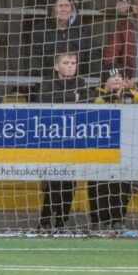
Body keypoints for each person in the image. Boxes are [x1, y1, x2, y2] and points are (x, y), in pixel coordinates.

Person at [88, 68, 138, 232]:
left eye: (119, 76)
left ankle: (117, 220)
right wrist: (112, 95)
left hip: (125, 146)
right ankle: (98, 220)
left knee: (120, 185)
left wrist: (129, 94)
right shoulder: (95, 94)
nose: (117, 79)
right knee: (98, 184)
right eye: (112, 76)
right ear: (104, 81)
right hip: (100, 145)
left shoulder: (130, 94)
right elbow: (94, 103)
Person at [36, 51, 87, 231]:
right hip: (52, 136)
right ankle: (45, 219)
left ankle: (61, 220)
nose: (71, 66)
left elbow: (85, 100)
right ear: (57, 66)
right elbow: (45, 99)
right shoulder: (48, 82)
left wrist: (68, 99)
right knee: (53, 180)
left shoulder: (80, 82)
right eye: (66, 62)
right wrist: (71, 97)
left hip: (74, 136)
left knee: (69, 181)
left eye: (73, 63)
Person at [28, 0, 93, 77]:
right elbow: (34, 57)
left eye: (67, 6)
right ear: (52, 10)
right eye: (60, 6)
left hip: (77, 80)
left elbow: (91, 56)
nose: (64, 9)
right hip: (48, 80)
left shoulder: (83, 30)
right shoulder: (40, 30)